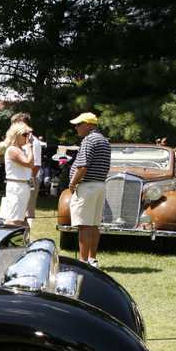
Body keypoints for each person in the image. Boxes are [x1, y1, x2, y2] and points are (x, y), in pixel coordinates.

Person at [67, 112, 111, 267]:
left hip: (88, 186)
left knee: (84, 224)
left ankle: (84, 261)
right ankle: (92, 259)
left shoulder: (89, 140)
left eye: (78, 125)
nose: (76, 128)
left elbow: (83, 166)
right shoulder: (104, 141)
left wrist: (72, 184)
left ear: (88, 125)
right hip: (99, 185)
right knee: (93, 224)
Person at [0, 122, 36, 228]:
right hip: (17, 188)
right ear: (17, 135)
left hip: (22, 187)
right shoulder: (13, 150)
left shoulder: (19, 150)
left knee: (20, 221)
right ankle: (8, 243)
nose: (28, 138)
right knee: (16, 222)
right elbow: (30, 163)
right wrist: (30, 146)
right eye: (25, 135)